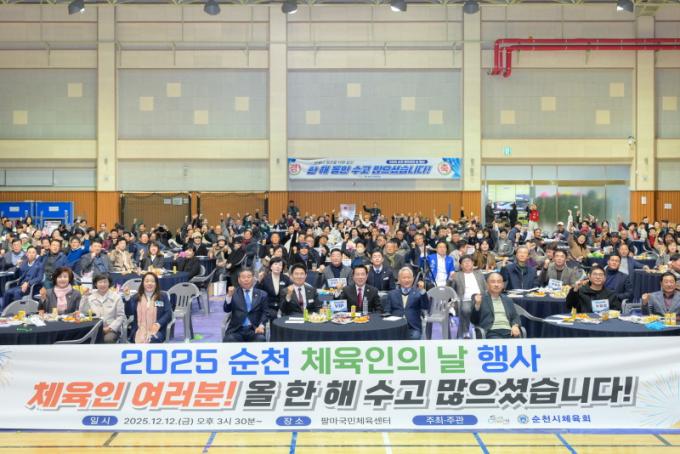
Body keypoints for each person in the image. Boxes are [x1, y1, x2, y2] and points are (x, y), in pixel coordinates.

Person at [469, 272, 522, 339]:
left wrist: (515, 325)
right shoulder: (481, 298)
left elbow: (515, 316)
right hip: (491, 332)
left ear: (502, 285)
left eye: (499, 282)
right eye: (493, 282)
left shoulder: (507, 299)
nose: (496, 285)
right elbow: (474, 320)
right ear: (487, 284)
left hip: (509, 331)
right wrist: (477, 305)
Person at [124, 272, 172, 343]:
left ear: (156, 284)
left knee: (153, 339)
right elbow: (129, 312)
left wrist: (158, 324)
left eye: (152, 281)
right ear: (143, 283)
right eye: (147, 281)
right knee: (140, 338)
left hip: (158, 330)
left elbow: (168, 313)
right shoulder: (136, 297)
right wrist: (127, 299)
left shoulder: (163, 296)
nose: (149, 283)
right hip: (139, 329)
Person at [223, 268, 268, 342]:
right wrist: (229, 296)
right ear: (239, 280)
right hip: (236, 330)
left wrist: (261, 325)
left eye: (249, 277)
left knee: (260, 339)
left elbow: (265, 313)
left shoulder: (262, 294)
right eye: (243, 277)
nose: (246, 279)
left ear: (253, 278)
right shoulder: (233, 293)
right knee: (229, 339)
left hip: (254, 329)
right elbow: (226, 309)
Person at [80, 274, 126, 343]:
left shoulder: (116, 297)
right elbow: (83, 312)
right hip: (94, 328)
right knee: (83, 338)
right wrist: (84, 297)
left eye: (105, 282)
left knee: (107, 339)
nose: (102, 284)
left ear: (109, 283)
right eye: (100, 282)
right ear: (95, 284)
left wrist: (109, 328)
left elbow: (121, 316)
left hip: (111, 329)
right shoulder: (90, 296)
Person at [386, 267, 429, 340]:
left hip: (413, 327)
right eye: (404, 278)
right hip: (395, 327)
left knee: (415, 336)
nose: (407, 280)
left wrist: (423, 292)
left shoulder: (418, 293)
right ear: (399, 279)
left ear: (413, 279)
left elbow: (426, 306)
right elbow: (387, 311)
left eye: (409, 278)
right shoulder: (391, 294)